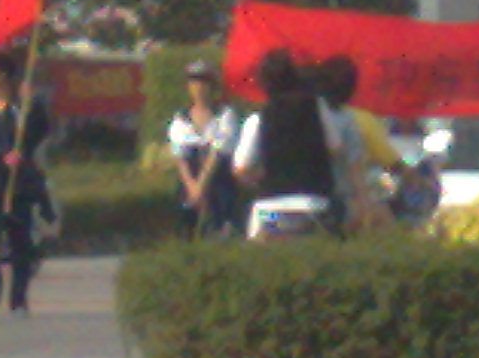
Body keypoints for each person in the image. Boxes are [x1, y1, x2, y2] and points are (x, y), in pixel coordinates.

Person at [0, 51, 52, 318]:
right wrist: (2, 155)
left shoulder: (22, 107)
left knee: (20, 240)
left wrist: (32, 105)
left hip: (19, 182)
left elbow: (41, 130)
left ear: (3, 77)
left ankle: (19, 298)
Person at [231, 49, 338, 227]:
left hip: (271, 209)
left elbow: (241, 169)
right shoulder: (317, 109)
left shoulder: (258, 119)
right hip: (315, 203)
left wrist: (262, 178)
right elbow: (335, 148)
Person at [313, 56, 397, 233]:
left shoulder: (300, 113)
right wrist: (366, 208)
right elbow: (356, 172)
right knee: (384, 219)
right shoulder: (353, 120)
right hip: (337, 200)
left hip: (298, 194)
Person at [166, 61, 240, 238]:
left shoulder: (224, 115)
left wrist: (201, 186)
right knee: (186, 231)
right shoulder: (180, 118)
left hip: (218, 182)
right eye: (193, 82)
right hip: (189, 185)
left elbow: (219, 152)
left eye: (203, 82)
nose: (198, 87)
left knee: (220, 229)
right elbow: (180, 157)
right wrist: (192, 187)